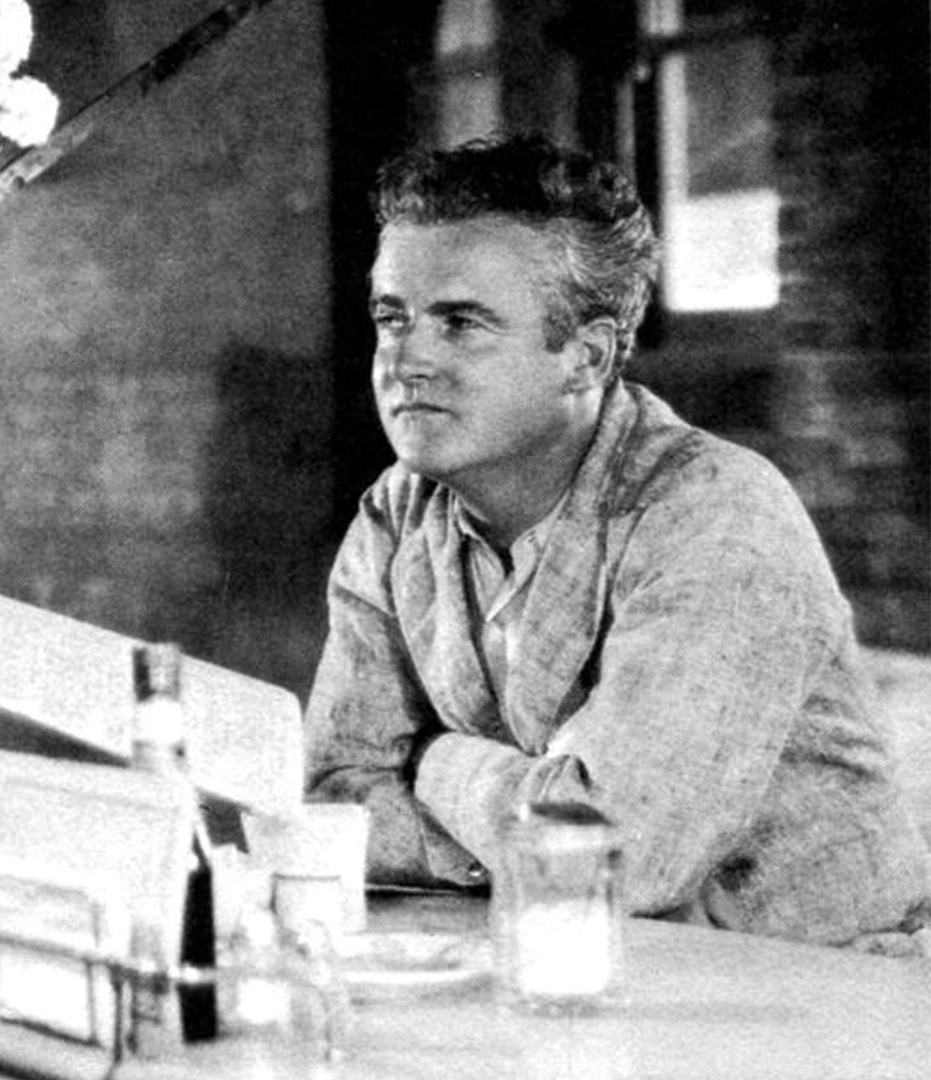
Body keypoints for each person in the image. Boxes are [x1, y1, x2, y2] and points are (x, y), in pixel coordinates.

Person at [302, 133, 931, 952]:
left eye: (460, 324)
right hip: (579, 960)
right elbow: (330, 804)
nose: (406, 360)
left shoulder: (715, 512)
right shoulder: (395, 515)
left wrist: (436, 764)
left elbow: (618, 854)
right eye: (394, 318)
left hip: (822, 996)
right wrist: (538, 821)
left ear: (587, 356)